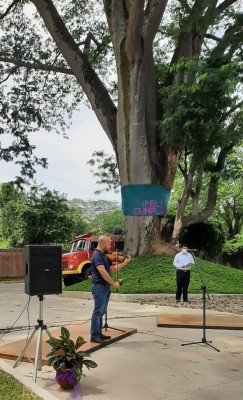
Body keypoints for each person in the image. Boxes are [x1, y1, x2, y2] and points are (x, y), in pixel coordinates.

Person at [90, 235, 132, 344]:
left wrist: (125, 263)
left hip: (105, 287)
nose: (110, 247)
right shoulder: (97, 256)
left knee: (102, 311)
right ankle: (94, 336)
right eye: (109, 244)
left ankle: (98, 333)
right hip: (99, 287)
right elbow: (103, 272)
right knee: (98, 312)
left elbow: (112, 270)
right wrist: (113, 283)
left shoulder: (103, 255)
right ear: (103, 244)